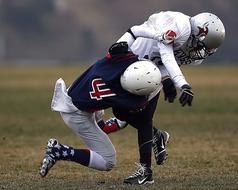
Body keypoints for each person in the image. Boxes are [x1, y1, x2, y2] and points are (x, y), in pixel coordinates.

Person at [96, 11, 225, 185]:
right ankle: (157, 136)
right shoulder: (179, 27)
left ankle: (145, 171)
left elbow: (167, 62)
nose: (200, 51)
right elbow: (165, 52)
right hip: (133, 60)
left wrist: (166, 79)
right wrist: (181, 84)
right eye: (201, 45)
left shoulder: (193, 50)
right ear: (198, 31)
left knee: (144, 119)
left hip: (151, 70)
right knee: (120, 111)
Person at [39, 42, 162, 185]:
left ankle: (61, 149)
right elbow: (140, 117)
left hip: (78, 91)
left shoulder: (120, 59)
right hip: (75, 113)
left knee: (106, 126)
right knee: (108, 161)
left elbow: (118, 47)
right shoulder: (128, 100)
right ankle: (60, 151)